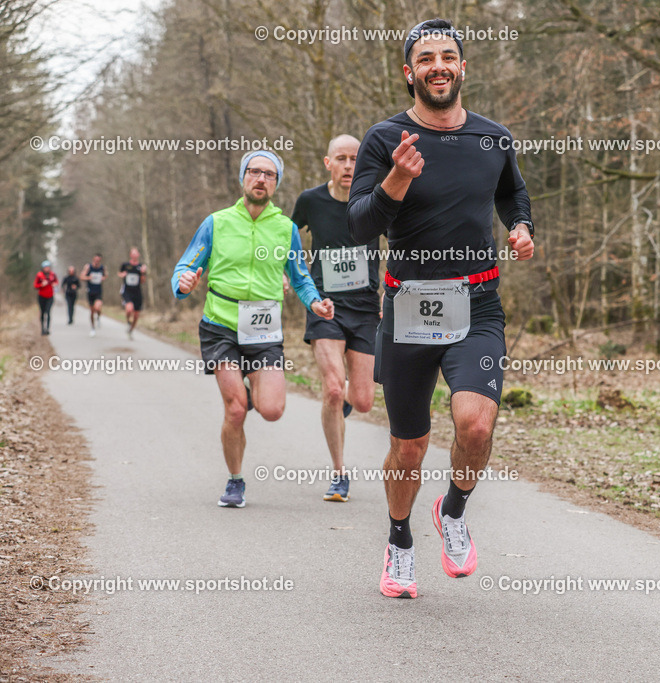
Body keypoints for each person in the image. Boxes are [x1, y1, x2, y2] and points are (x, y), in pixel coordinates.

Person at [349, 18, 535, 599]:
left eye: (447, 56)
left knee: (477, 424)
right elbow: (359, 227)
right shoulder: (386, 140)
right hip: (408, 305)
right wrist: (396, 183)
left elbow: (512, 191)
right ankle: (399, 540)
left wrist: (522, 226)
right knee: (409, 443)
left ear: (462, 67)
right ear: (409, 72)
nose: (437, 65)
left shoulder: (493, 137)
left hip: (477, 302)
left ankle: (452, 509)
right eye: (425, 57)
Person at [172, 150, 334, 508]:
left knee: (272, 409)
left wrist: (315, 303)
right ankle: (235, 481)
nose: (261, 179)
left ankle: (248, 387)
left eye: (269, 174)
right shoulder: (216, 222)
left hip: (263, 328)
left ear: (276, 183)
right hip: (221, 325)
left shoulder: (286, 229)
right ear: (243, 178)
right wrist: (183, 283)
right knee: (235, 410)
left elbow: (301, 278)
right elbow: (185, 265)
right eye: (254, 172)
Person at [292, 134, 379, 502]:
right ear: (328, 163)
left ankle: (340, 406)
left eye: (354, 158)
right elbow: (287, 237)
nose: (348, 165)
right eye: (340, 158)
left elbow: (403, 240)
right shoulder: (310, 201)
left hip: (366, 309)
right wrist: (287, 271)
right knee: (331, 388)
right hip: (324, 306)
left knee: (362, 402)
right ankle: (339, 474)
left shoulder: (377, 200)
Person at [119, 247, 147, 340]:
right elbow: (119, 273)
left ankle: (130, 331)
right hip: (127, 291)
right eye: (133, 253)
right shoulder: (125, 265)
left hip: (137, 292)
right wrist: (122, 275)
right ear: (130, 255)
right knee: (129, 309)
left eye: (136, 253)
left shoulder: (141, 266)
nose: (134, 255)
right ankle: (128, 322)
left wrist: (142, 273)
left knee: (136, 316)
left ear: (138, 255)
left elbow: (143, 281)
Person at [82, 253, 106, 337]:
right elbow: (82, 277)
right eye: (95, 260)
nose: (97, 262)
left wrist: (103, 278)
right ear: (93, 259)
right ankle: (92, 328)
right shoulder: (88, 267)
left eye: (98, 260)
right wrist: (89, 278)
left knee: (97, 307)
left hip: (98, 291)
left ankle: (98, 318)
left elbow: (105, 276)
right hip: (90, 291)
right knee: (92, 311)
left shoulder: (102, 268)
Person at [33, 261, 58, 335]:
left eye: (48, 267)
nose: (47, 269)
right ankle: (42, 329)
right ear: (43, 268)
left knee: (48, 312)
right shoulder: (39, 275)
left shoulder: (53, 274)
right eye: (45, 267)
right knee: (43, 313)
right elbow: (35, 286)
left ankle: (47, 329)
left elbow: (56, 282)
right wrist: (41, 285)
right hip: (41, 296)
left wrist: (55, 284)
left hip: (50, 296)